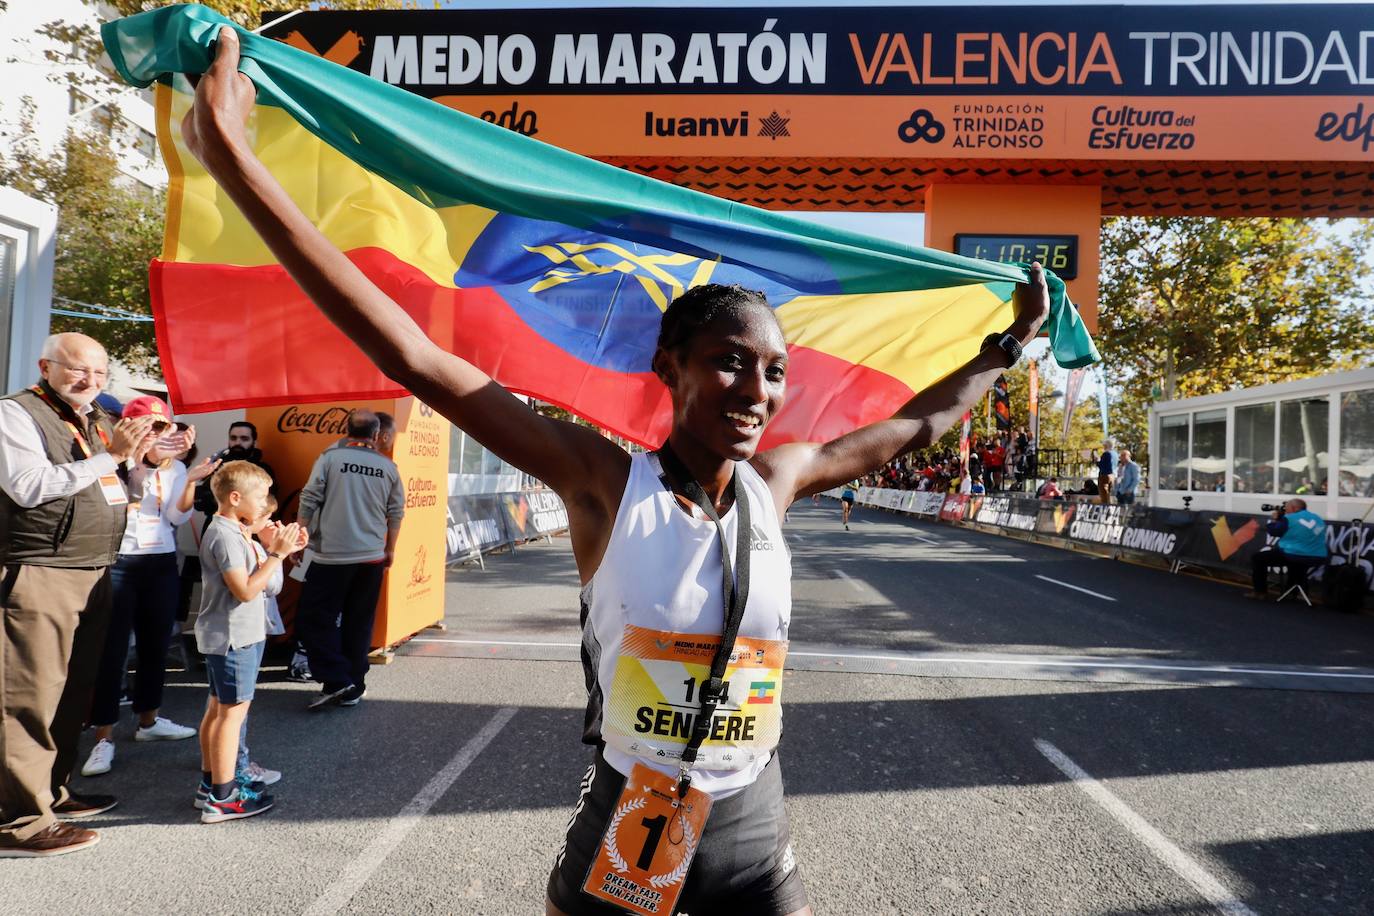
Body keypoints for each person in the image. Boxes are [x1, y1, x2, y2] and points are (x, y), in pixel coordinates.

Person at [179, 28, 1049, 913]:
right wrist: (237, 159)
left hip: (756, 833)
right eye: (730, 362)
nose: (757, 391)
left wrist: (1008, 346)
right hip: (632, 819)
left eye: (775, 371)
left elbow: (913, 425)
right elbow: (411, 353)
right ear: (668, 366)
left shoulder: (778, 482)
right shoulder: (600, 479)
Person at [0, 332, 158, 857]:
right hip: (41, 570)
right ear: (46, 365)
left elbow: (115, 488)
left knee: (71, 691)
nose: (89, 381)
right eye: (76, 370)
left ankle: (52, 794)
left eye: (99, 373)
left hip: (91, 570)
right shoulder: (17, 413)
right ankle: (19, 821)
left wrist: (145, 463)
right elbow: (28, 486)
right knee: (27, 699)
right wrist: (111, 456)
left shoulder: (93, 420)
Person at [81, 397, 221, 779]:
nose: (159, 435)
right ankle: (103, 737)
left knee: (155, 645)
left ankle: (149, 721)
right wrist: (137, 464)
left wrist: (190, 480)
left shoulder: (174, 468)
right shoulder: (113, 461)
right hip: (119, 562)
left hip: (160, 561)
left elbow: (175, 516)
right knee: (112, 651)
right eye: (150, 427)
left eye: (163, 427)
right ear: (131, 428)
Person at [194, 461, 305, 822]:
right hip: (233, 635)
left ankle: (212, 785)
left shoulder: (232, 530)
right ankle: (223, 797)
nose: (265, 503)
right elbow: (244, 591)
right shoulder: (225, 534)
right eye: (259, 496)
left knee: (219, 709)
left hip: (233, 633)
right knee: (231, 715)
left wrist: (276, 548)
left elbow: (259, 580)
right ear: (235, 497)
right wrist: (275, 555)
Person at [295, 409, 405, 710]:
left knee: (313, 618)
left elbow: (309, 498)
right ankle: (354, 685)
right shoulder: (388, 466)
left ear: (347, 430)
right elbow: (396, 512)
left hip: (332, 556)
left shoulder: (330, 458)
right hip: (371, 558)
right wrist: (390, 548)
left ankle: (336, 680)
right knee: (359, 621)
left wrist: (298, 536)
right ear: (375, 435)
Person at [1245, 499, 1329, 600]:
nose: (1286, 510)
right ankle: (1292, 592)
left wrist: (1274, 520)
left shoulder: (1289, 518)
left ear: (1294, 508)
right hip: (1318, 557)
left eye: (1287, 508)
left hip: (1294, 554)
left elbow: (1274, 531)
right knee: (1296, 562)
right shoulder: (1318, 518)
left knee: (1257, 558)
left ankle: (1260, 592)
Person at [1096, 438, 1117, 505]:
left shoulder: (1106, 454)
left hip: (1104, 475)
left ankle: (1106, 510)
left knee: (1104, 496)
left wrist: (1097, 460)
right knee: (1110, 494)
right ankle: (1111, 508)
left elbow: (1101, 466)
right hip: (1112, 475)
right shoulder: (1115, 454)